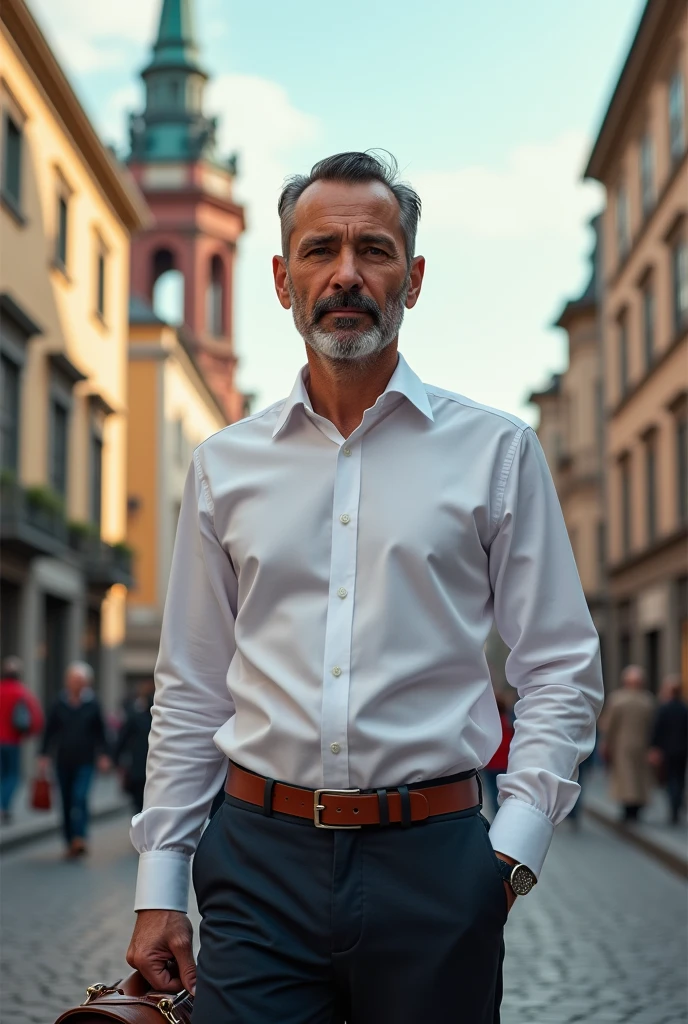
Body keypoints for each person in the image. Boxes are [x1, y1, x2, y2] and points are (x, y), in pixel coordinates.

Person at [126, 151, 603, 1023]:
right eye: (320, 251)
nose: (346, 274)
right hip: (257, 866)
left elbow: (561, 664)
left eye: (374, 250)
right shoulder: (224, 466)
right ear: (281, 278)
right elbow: (190, 688)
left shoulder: (496, 453)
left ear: (412, 278)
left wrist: (509, 856)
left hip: (437, 864)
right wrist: (161, 879)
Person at [39, 661, 111, 858]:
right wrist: (44, 754)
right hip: (62, 760)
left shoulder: (93, 703)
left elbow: (101, 732)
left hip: (85, 760)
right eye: (73, 680)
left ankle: (80, 837)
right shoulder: (59, 702)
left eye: (80, 680)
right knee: (66, 801)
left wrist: (104, 755)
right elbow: (49, 731)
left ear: (87, 682)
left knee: (80, 797)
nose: (76, 684)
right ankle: (69, 840)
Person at [601, 664, 655, 823]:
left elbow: (609, 725)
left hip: (621, 745)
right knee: (639, 778)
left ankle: (627, 808)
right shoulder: (648, 700)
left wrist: (606, 743)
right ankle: (636, 808)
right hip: (642, 744)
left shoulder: (617, 700)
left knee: (625, 778)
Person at [0, 656, 44, 824]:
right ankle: (4, 806)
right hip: (12, 741)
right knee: (12, 775)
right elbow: (35, 717)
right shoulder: (21, 691)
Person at [649, 675, 688, 825]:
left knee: (671, 779)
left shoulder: (664, 709)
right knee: (680, 779)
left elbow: (657, 730)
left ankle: (674, 808)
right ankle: (677, 807)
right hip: (682, 751)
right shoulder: (684, 708)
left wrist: (654, 748)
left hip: (667, 751)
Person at [115, 679, 155, 815]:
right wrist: (115, 758)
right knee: (138, 801)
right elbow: (123, 737)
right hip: (138, 766)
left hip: (153, 765)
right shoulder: (134, 713)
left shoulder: (155, 714)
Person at [481, 692, 514, 819]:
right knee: (505, 790)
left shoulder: (488, 723)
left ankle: (497, 815)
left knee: (492, 790)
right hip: (505, 762)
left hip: (491, 762)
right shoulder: (509, 722)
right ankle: (506, 814)